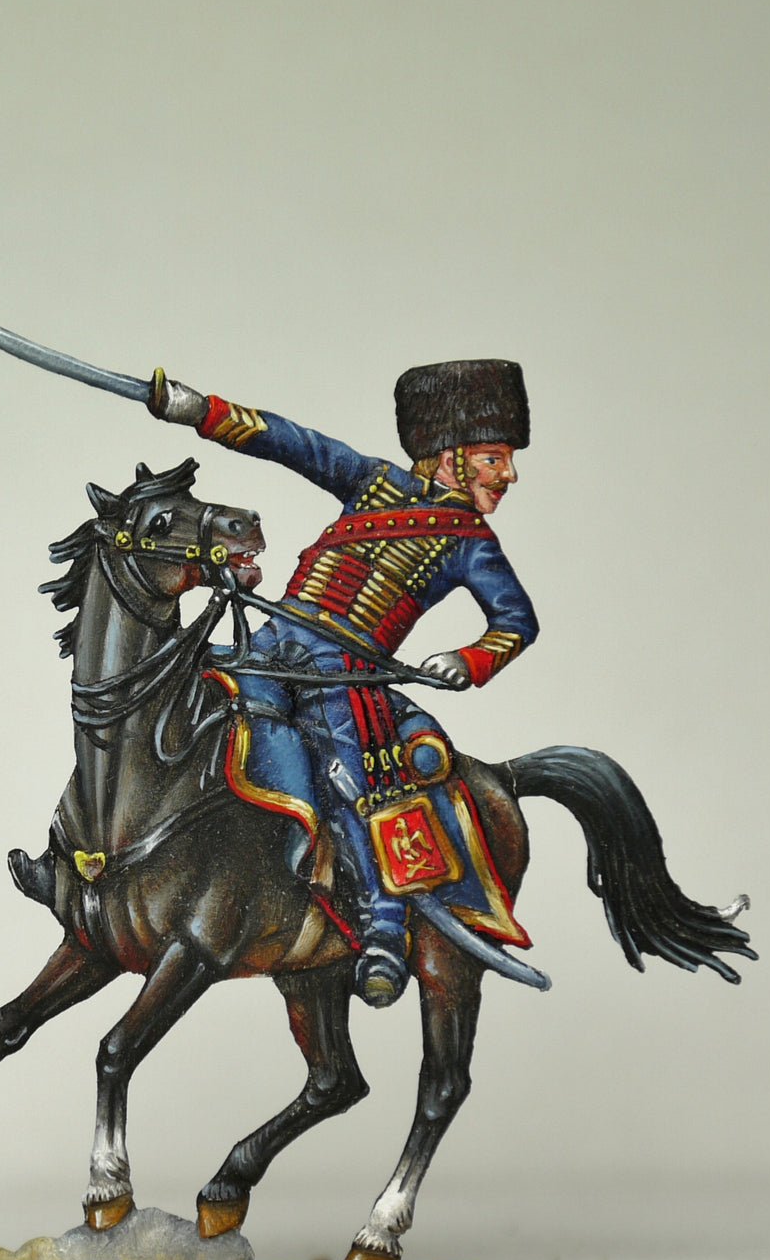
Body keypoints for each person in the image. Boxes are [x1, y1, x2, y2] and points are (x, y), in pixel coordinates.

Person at [147, 359, 539, 1006]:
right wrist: (201, 411)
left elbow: (516, 621)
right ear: (451, 455)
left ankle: (383, 929)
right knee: (167, 694)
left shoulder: (473, 543)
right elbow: (293, 443)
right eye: (495, 459)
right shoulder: (373, 481)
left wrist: (468, 660)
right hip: (268, 643)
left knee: (350, 783)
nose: (509, 475)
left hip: (345, 674)